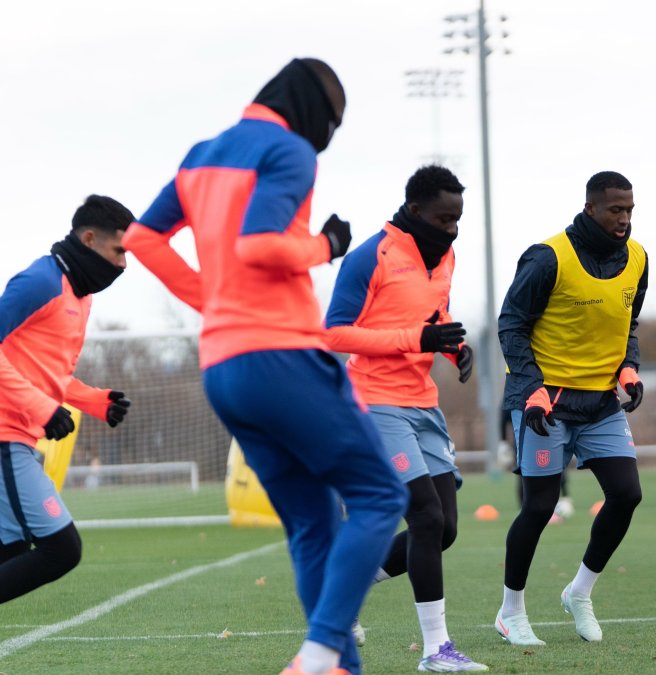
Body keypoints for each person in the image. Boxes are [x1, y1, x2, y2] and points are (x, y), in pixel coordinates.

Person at [123, 58, 407, 675]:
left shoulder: (202, 153)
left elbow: (142, 238)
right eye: (333, 122)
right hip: (281, 355)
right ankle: (317, 655)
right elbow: (258, 243)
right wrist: (325, 247)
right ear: (315, 112)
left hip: (223, 367)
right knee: (381, 497)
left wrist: (209, 298)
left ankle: (337, 664)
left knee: (311, 526)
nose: (329, 136)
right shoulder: (291, 151)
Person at [323, 165, 487, 672]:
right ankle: (437, 651)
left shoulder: (447, 255)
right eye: (444, 218)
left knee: (446, 530)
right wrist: (416, 340)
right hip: (374, 400)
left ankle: (344, 587)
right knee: (426, 517)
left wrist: (454, 347)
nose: (453, 228)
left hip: (423, 402)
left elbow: (435, 316)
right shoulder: (371, 256)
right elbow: (334, 335)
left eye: (458, 218)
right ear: (415, 211)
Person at [494, 171, 648, 646]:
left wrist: (629, 367)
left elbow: (628, 324)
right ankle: (510, 611)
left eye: (629, 210)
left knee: (626, 495)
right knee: (539, 507)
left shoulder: (639, 257)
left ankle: (579, 593)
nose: (623, 219)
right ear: (590, 209)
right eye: (614, 210)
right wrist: (533, 387)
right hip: (547, 402)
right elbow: (511, 325)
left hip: (600, 402)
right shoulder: (547, 258)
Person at [0, 195, 133, 604]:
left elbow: (47, 372)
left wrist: (95, 401)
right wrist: (43, 409)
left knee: (14, 553)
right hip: (5, 437)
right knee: (62, 549)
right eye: (119, 252)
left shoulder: (82, 297)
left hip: (20, 437)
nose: (124, 265)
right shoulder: (39, 283)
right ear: (89, 239)